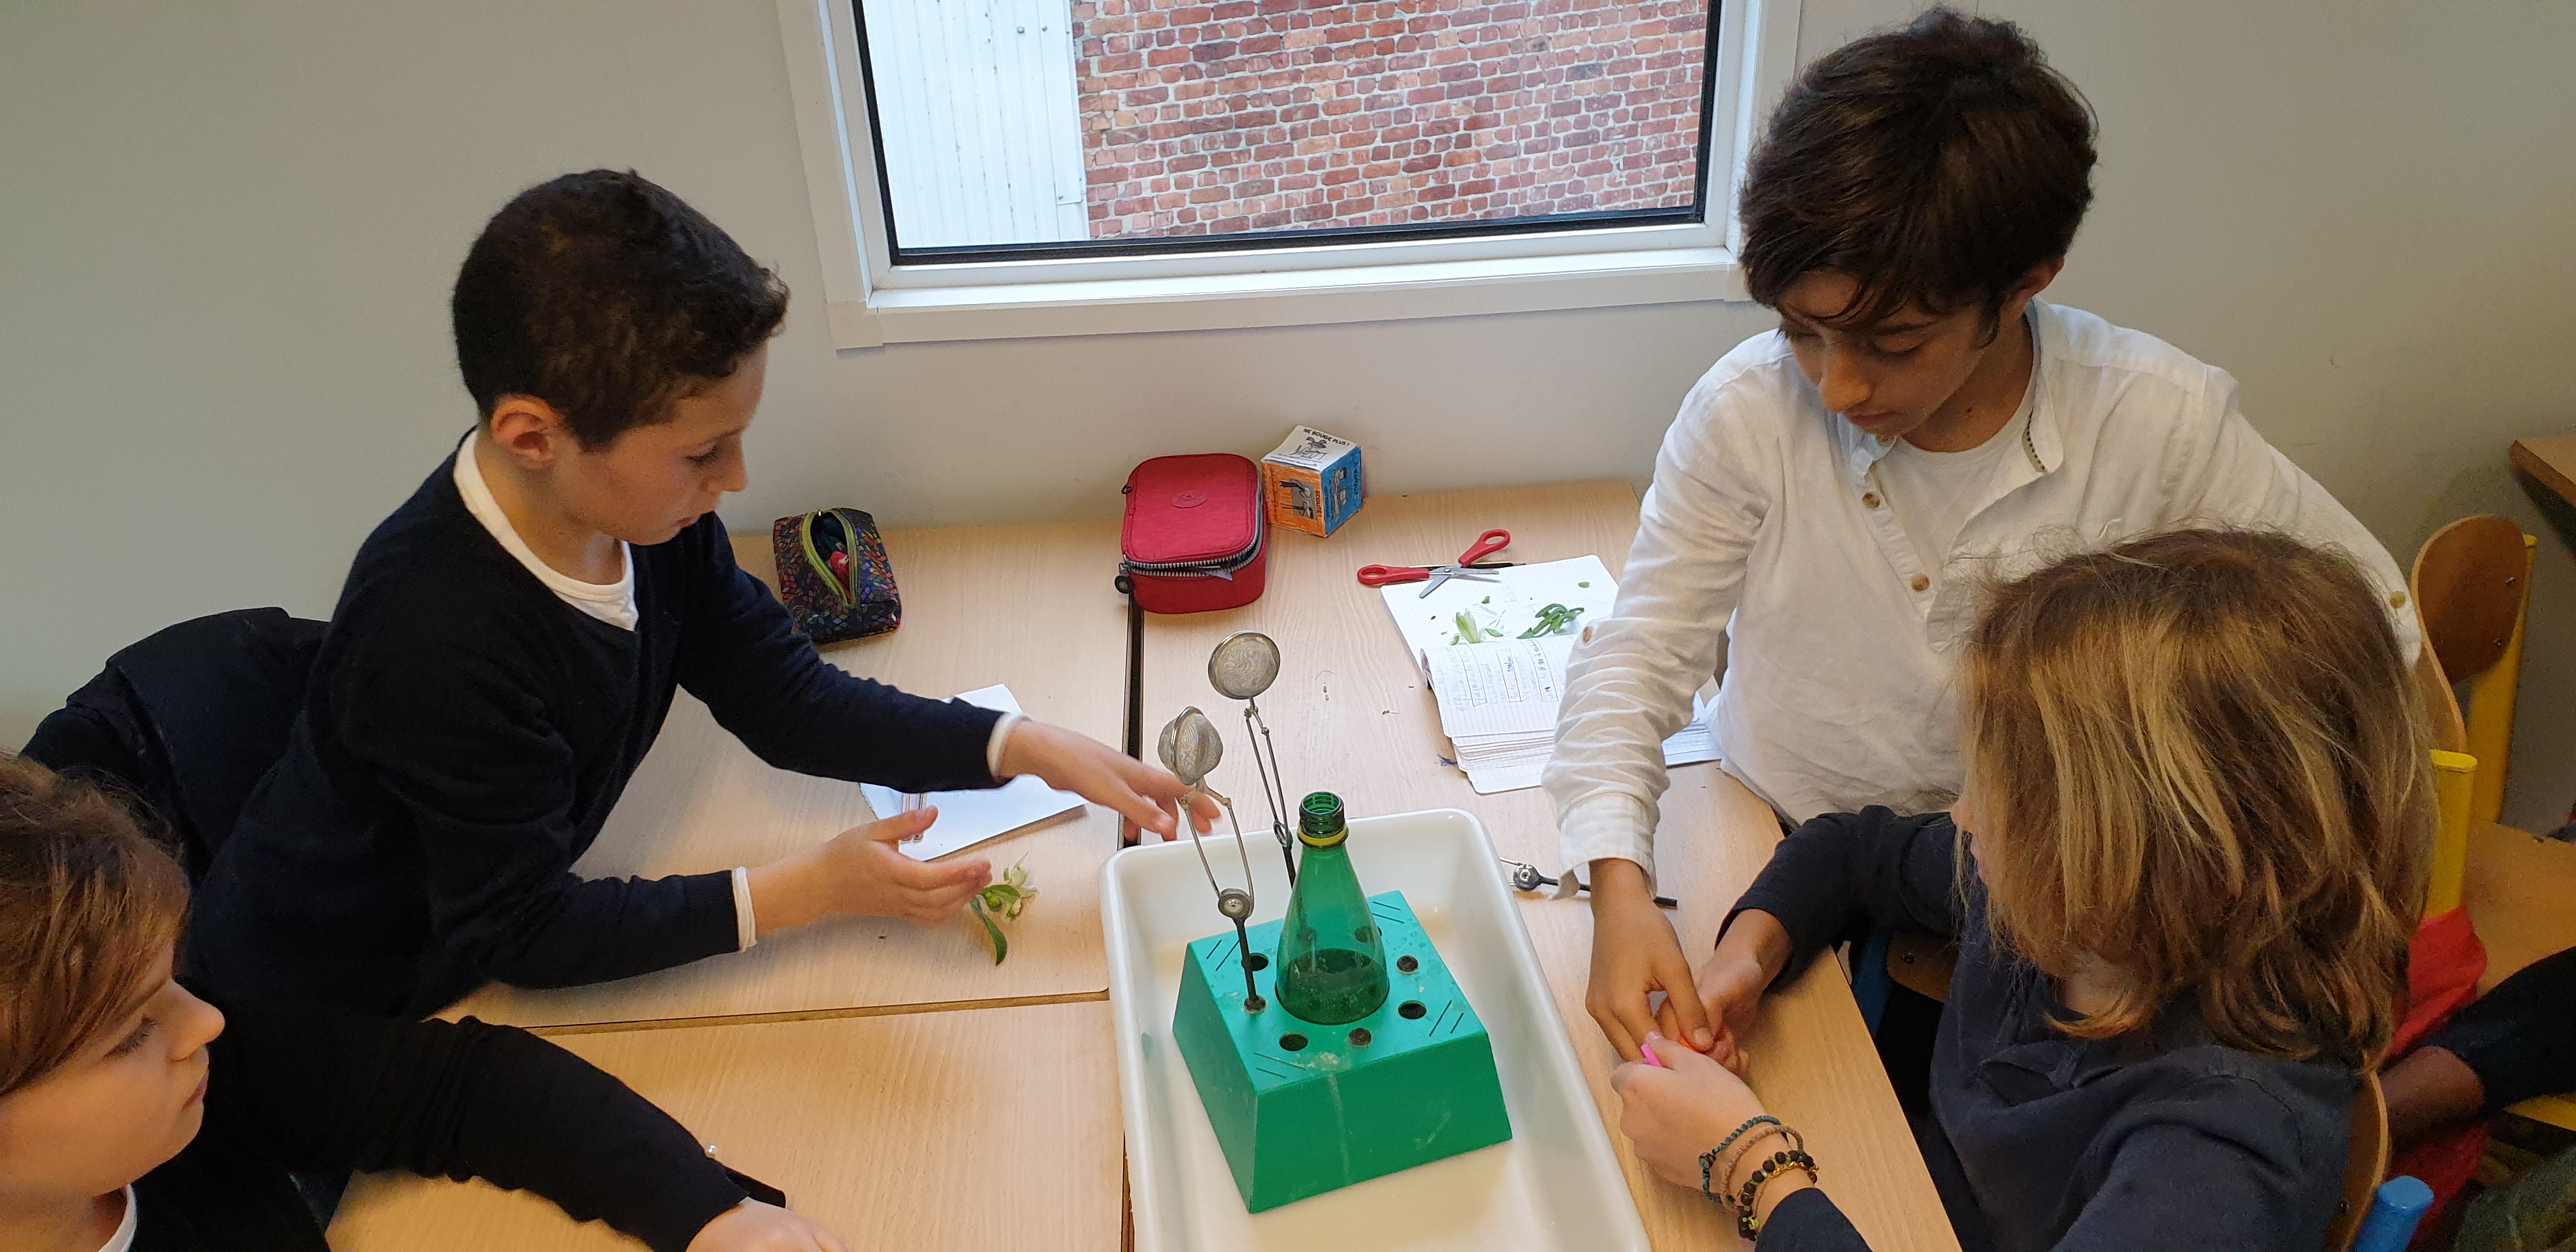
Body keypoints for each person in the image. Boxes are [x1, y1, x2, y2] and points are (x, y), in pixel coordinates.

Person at [1545, 6, 2420, 1064]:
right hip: (1785, 845)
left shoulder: (2157, 423)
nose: (1839, 385)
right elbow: (1638, 657)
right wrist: (1619, 890)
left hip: (2046, 904)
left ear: (2025, 286)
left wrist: (2166, 810)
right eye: (1803, 332)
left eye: (1893, 342)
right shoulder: (1749, 411)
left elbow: (2373, 626)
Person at [189, 169, 1208, 1018]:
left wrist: (1024, 747)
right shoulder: (433, 638)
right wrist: (805, 891)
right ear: (534, 436)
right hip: (331, 1005)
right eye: (702, 453)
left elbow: (788, 700)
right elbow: (521, 931)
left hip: (468, 937)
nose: (736, 481)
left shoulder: (650, 520)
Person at [1607, 530, 2433, 1249]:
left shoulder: (2221, 1154)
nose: (1963, 816)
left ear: (2143, 848)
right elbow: (1853, 850)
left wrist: (1750, 1170)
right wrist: (1747, 960)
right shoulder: (2077, 905)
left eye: (2003, 794)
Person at [0, 760, 848, 1252]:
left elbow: (459, 1089)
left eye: (171, 982)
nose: (204, 1023)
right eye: (130, 1033)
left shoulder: (197, 1094)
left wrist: (707, 1212)